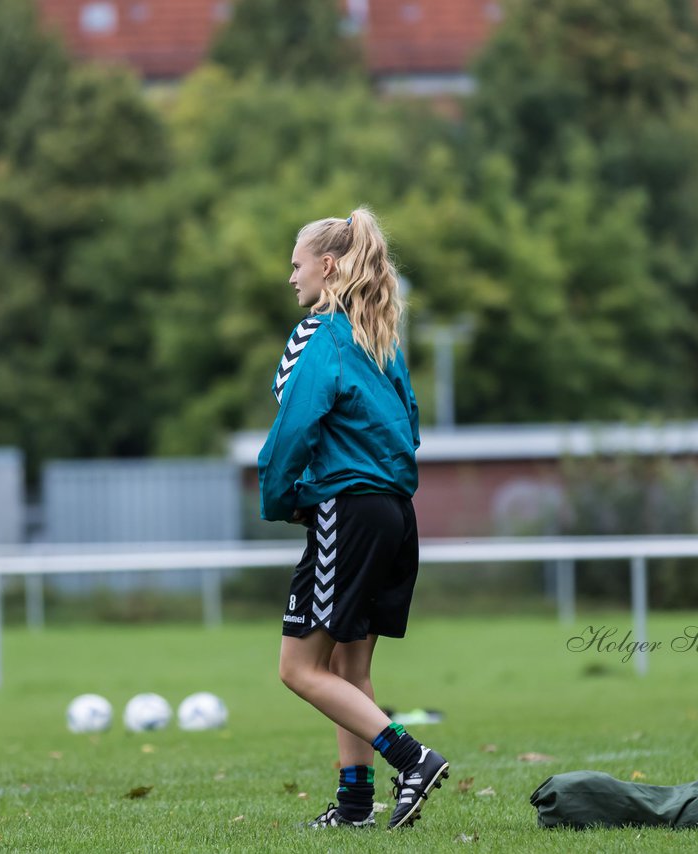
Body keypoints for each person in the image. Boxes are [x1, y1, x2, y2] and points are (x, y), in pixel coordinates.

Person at [258, 207, 448, 830]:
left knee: (298, 668)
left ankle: (412, 757)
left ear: (328, 265)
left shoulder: (318, 336)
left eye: (297, 264)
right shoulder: (381, 338)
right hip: (395, 511)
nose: (292, 278)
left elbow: (293, 428)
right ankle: (355, 807)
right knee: (349, 666)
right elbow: (411, 423)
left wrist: (283, 499)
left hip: (352, 509)